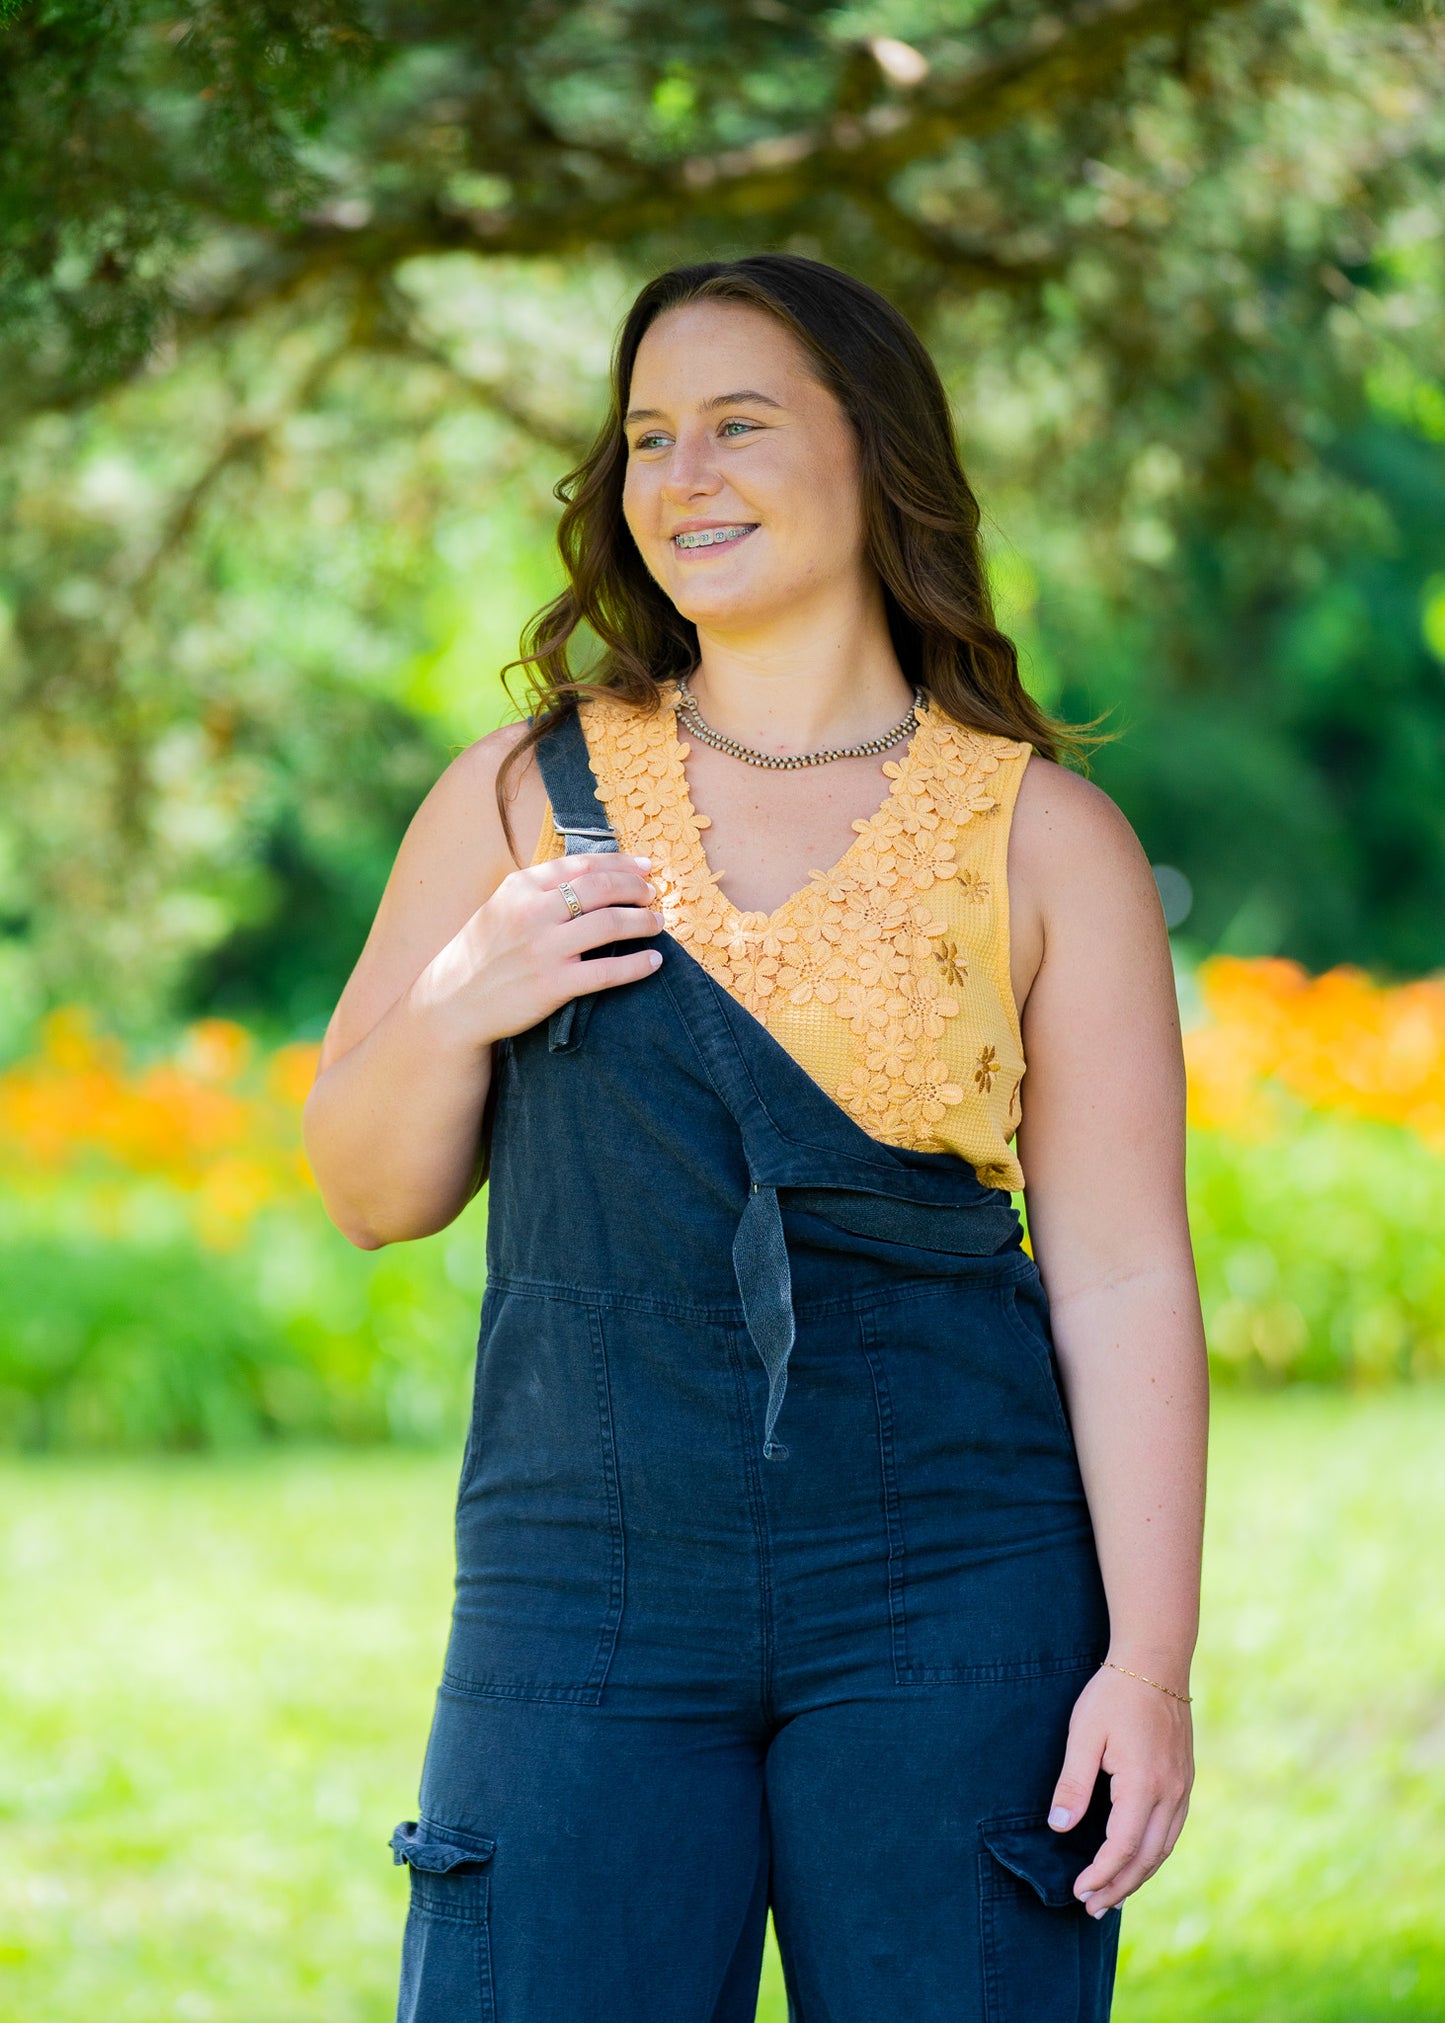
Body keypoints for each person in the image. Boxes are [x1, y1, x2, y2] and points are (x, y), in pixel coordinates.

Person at [303, 252, 1208, 2023]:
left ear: (875, 454)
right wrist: (464, 992)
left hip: (954, 1587)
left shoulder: (1045, 839)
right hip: (581, 1590)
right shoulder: (516, 793)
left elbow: (1119, 1273)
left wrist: (1151, 1667)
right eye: (645, 437)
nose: (681, 476)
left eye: (737, 424)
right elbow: (364, 1192)